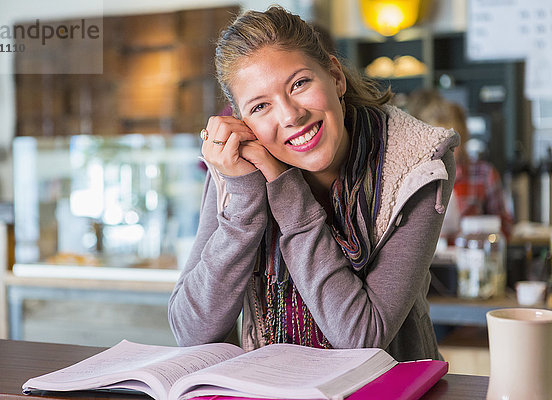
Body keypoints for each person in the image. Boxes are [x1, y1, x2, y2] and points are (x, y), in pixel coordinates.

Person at [168, 6, 458, 362]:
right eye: (260, 107)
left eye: (300, 84)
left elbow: (362, 336)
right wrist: (245, 206)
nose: (291, 115)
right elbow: (190, 332)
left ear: (335, 76)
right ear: (244, 123)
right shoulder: (240, 172)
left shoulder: (417, 162)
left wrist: (287, 192)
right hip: (271, 388)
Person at [406, 89, 513, 239]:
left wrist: (477, 231)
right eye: (437, 144)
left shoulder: (484, 174)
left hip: (471, 256)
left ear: (463, 140)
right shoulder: (416, 178)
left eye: (451, 145)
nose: (443, 151)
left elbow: (505, 229)